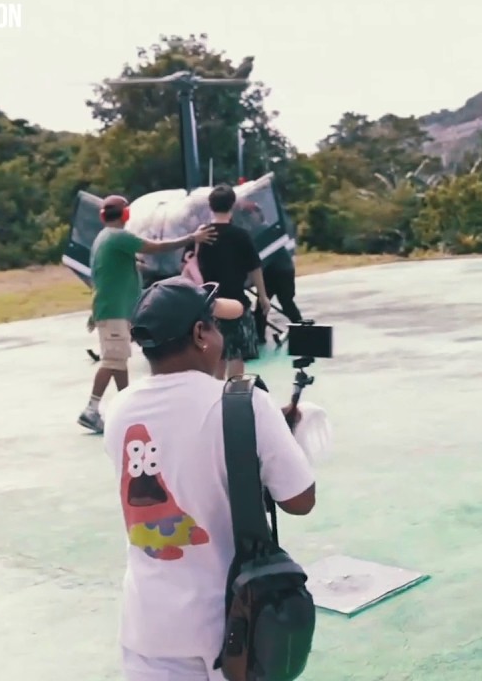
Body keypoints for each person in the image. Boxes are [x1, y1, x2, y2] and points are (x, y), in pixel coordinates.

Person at [103, 277, 316, 681]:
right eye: (215, 326)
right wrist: (274, 434)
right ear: (201, 334)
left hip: (147, 628)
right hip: (230, 629)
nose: (221, 337)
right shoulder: (246, 403)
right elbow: (299, 500)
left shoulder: (120, 408)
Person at [79, 195, 217, 433]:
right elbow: (157, 248)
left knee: (119, 360)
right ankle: (91, 409)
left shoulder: (104, 238)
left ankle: (127, 406)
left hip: (113, 309)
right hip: (114, 310)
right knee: (112, 360)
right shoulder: (118, 236)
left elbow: (102, 274)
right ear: (126, 214)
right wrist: (191, 238)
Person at [194, 184, 267, 379]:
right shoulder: (240, 235)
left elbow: (189, 263)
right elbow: (255, 267)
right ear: (232, 205)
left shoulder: (202, 236)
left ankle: (215, 395)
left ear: (210, 206)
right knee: (236, 353)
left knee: (217, 354)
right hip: (236, 300)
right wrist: (263, 296)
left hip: (210, 302)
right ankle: (234, 394)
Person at [254, 255, 303, 344]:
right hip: (286, 268)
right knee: (287, 303)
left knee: (261, 307)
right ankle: (301, 329)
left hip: (272, 270)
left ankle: (260, 336)